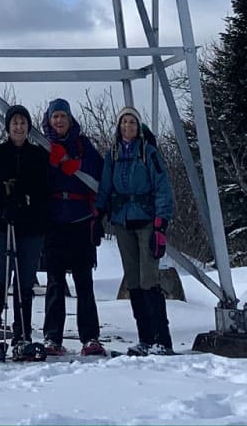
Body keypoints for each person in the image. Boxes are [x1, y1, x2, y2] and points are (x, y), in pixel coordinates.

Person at [95, 105, 176, 355]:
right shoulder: (114, 154)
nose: (127, 127)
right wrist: (98, 213)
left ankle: (162, 339)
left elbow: (162, 186)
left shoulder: (148, 153)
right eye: (124, 122)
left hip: (147, 221)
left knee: (149, 280)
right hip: (122, 222)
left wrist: (162, 221)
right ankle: (145, 338)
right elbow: (105, 186)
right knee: (134, 282)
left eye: (132, 122)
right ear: (118, 126)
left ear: (138, 127)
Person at [0, 103, 49, 359]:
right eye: (15, 123)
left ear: (28, 126)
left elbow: (45, 190)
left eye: (23, 122)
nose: (19, 127)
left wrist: (26, 200)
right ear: (8, 127)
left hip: (31, 227)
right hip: (2, 225)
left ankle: (22, 332)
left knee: (25, 282)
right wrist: (1, 204)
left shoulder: (38, 155)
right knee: (0, 278)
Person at [40, 96, 105, 356]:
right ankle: (52, 337)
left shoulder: (83, 144)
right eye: (55, 116)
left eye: (63, 116)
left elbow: (99, 170)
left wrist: (77, 164)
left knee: (84, 282)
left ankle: (90, 337)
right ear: (49, 119)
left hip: (80, 221)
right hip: (54, 222)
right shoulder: (43, 146)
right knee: (55, 284)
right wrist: (52, 165)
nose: (59, 121)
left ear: (70, 119)